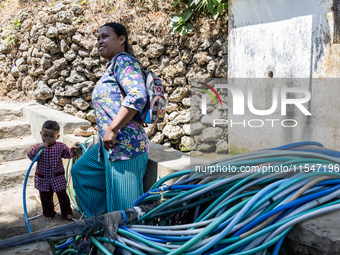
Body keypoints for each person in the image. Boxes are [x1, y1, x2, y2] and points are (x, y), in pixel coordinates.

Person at [71, 22, 149, 217]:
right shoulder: (112, 66)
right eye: (98, 38)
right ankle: (100, 224)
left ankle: (123, 244)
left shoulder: (124, 61)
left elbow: (137, 95)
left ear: (121, 39)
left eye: (105, 36)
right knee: (81, 172)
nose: (99, 41)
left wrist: (113, 129)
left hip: (126, 148)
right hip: (109, 147)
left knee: (124, 211)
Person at [27, 120, 77, 221]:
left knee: (63, 195)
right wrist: (39, 149)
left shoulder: (60, 146)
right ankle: (48, 213)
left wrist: (72, 150)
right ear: (41, 134)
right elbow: (32, 157)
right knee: (45, 197)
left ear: (57, 137)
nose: (48, 139)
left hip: (57, 176)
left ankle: (67, 212)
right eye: (45, 136)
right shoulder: (38, 147)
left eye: (51, 137)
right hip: (43, 177)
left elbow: (68, 155)